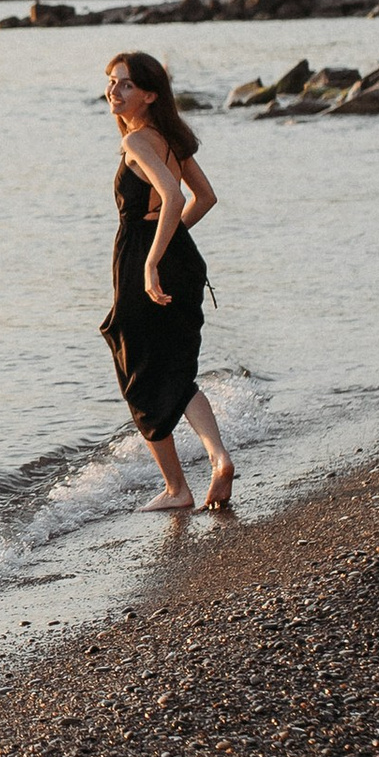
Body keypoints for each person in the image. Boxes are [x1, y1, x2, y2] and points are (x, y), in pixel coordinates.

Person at [100, 49, 236, 516]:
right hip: (181, 258)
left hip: (146, 262)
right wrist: (173, 240)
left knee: (137, 374)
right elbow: (207, 198)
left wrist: (153, 259)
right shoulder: (170, 138)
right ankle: (218, 457)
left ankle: (177, 487)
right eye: (111, 82)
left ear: (149, 95)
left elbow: (175, 196)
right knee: (176, 370)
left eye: (125, 85)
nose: (113, 91)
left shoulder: (139, 141)